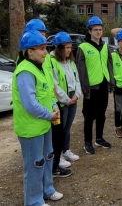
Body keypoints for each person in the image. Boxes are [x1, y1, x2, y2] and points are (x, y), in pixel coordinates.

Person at [13, 30, 63, 206]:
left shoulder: (38, 67)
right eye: (41, 49)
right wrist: (50, 114)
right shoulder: (25, 71)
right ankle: (33, 201)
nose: (45, 52)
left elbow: (47, 90)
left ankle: (47, 190)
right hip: (31, 129)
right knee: (35, 165)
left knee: (48, 157)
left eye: (45, 48)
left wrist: (54, 105)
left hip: (44, 124)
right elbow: (30, 104)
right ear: (29, 51)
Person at [23, 19, 72, 174]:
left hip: (51, 104)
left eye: (44, 34)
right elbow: (31, 97)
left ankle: (54, 166)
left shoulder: (44, 58)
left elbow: (49, 82)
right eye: (40, 34)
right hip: (41, 113)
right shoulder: (26, 65)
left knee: (55, 139)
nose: (43, 38)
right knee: (48, 145)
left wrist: (54, 102)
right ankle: (52, 169)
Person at [76, 16, 115, 154]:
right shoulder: (83, 47)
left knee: (101, 114)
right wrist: (85, 90)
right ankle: (87, 142)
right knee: (89, 115)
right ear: (90, 31)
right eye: (95, 30)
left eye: (100, 29)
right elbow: (81, 70)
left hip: (103, 85)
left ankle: (99, 138)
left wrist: (111, 83)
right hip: (91, 87)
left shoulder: (105, 46)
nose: (98, 32)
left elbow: (109, 64)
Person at [50, 32, 82, 163]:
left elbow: (77, 79)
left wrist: (76, 95)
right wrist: (66, 100)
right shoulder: (52, 62)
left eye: (70, 47)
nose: (69, 50)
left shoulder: (70, 62)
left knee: (67, 127)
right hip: (62, 101)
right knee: (60, 129)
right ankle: (58, 154)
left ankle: (66, 150)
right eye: (66, 48)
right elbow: (55, 85)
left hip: (72, 98)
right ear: (59, 48)